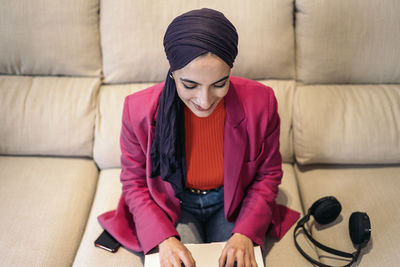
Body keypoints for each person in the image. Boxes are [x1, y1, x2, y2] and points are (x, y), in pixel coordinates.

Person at [98, 8, 299, 267]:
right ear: (173, 74)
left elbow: (267, 175)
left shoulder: (262, 102)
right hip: (173, 204)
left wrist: (245, 233)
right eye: (190, 85)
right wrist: (163, 238)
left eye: (219, 84)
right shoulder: (137, 111)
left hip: (232, 200)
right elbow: (134, 183)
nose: (205, 102)